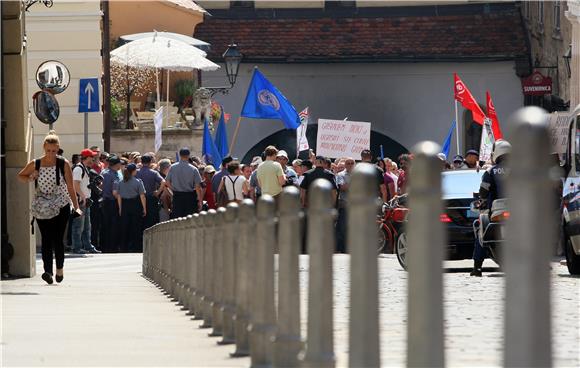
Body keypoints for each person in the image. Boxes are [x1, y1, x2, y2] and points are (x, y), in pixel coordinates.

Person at [17, 131, 81, 284]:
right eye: (48, 150)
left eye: (54, 151)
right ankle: (48, 272)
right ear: (44, 148)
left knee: (57, 238)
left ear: (58, 149)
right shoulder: (36, 163)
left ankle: (59, 268)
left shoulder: (63, 163)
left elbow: (71, 187)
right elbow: (21, 176)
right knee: (46, 239)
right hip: (42, 205)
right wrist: (31, 177)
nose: (51, 154)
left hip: (61, 203)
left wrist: (76, 206)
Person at [471, 140, 511, 277]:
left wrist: (482, 199)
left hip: (497, 210)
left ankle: (477, 267)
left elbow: (483, 191)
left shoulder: (490, 171)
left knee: (480, 228)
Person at [72, 148, 101, 254]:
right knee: (78, 225)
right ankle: (77, 247)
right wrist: (83, 197)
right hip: (80, 201)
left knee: (87, 226)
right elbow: (75, 185)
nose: (93, 159)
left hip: (85, 200)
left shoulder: (84, 168)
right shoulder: (79, 169)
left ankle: (88, 246)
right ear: (86, 157)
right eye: (91, 157)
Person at [114, 163, 146, 252]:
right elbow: (142, 196)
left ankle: (124, 247)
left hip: (125, 205)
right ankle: (136, 247)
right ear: (133, 171)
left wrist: (120, 208)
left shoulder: (120, 182)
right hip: (135, 204)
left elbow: (119, 196)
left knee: (124, 227)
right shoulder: (138, 181)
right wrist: (144, 208)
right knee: (136, 227)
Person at [165, 147, 203, 218]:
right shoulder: (194, 169)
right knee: (189, 220)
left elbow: (167, 182)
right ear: (188, 155)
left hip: (177, 197)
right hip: (190, 198)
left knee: (177, 219)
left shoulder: (172, 167)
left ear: (180, 155)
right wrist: (200, 201)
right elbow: (198, 187)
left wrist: (174, 189)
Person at [136, 154, 166, 229]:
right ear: (150, 162)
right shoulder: (154, 173)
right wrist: (158, 192)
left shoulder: (136, 173)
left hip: (138, 199)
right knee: (152, 221)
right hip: (151, 198)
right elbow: (163, 182)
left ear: (141, 162)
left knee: (139, 220)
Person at [100, 155, 122, 252]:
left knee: (105, 225)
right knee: (114, 225)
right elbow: (115, 192)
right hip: (113, 202)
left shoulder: (103, 172)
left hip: (104, 201)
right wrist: (121, 205)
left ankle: (104, 246)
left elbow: (100, 187)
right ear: (117, 164)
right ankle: (112, 247)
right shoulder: (115, 175)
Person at [335, 157, 355, 253]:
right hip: (345, 204)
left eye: (352, 163)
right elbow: (342, 187)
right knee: (343, 227)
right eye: (348, 163)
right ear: (345, 165)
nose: (350, 165)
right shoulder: (340, 174)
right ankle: (342, 248)